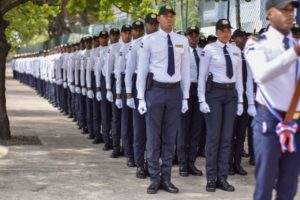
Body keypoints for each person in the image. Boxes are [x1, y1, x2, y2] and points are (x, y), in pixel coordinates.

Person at [244, 0, 300, 199]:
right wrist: (293, 54)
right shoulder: (257, 42)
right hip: (269, 120)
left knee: (289, 186)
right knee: (265, 185)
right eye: (284, 9)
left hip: (294, 121)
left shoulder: (295, 43)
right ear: (269, 13)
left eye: (292, 9)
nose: (290, 14)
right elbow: (262, 74)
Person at [137, 5, 190, 194]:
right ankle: (154, 178)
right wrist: (141, 97)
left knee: (170, 138)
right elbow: (142, 72)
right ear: (158, 19)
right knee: (153, 138)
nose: (169, 19)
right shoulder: (148, 41)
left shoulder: (182, 40)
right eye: (166, 16)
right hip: (155, 92)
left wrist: (185, 97)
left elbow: (185, 71)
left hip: (174, 92)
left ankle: (166, 178)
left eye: (171, 16)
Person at [198, 19, 243, 192]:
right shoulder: (209, 49)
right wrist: (201, 99)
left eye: (228, 30)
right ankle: (211, 178)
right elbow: (202, 76)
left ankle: (222, 178)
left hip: (231, 95)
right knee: (213, 138)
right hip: (214, 94)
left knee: (226, 138)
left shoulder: (235, 50)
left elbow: (239, 78)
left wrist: (240, 101)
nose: (226, 33)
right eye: (222, 30)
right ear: (217, 32)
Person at [125, 13, 159, 179]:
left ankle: (153, 164)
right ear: (147, 25)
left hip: (156, 87)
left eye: (156, 23)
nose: (154, 26)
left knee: (154, 131)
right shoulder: (137, 44)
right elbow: (129, 70)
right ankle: (140, 164)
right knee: (139, 130)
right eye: (151, 24)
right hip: (140, 85)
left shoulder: (163, 41)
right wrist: (129, 94)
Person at [177, 26, 204, 177]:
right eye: (190, 35)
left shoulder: (202, 52)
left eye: (196, 35)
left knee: (195, 130)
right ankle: (182, 164)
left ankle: (191, 163)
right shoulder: (181, 52)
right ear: (186, 37)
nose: (193, 38)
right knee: (183, 130)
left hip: (199, 91)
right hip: (185, 90)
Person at [229, 29, 256, 176]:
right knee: (229, 133)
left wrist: (250, 101)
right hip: (231, 97)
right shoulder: (230, 52)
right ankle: (227, 164)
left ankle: (237, 163)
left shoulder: (248, 55)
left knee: (240, 134)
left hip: (245, 98)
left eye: (244, 37)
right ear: (234, 39)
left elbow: (249, 80)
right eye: (240, 37)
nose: (243, 39)